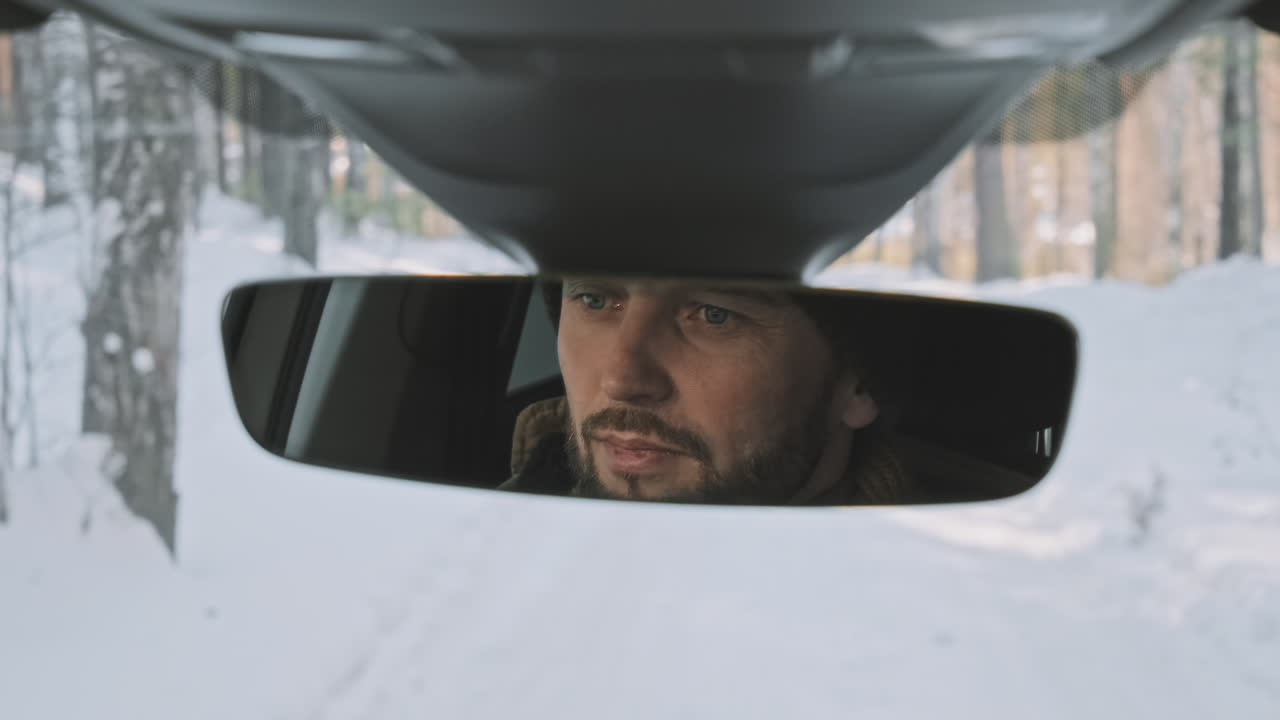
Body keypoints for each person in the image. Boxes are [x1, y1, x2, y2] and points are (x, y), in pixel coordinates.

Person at [499, 278, 922, 505]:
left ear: (859, 385)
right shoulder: (473, 558)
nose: (622, 381)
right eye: (594, 300)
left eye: (715, 316)